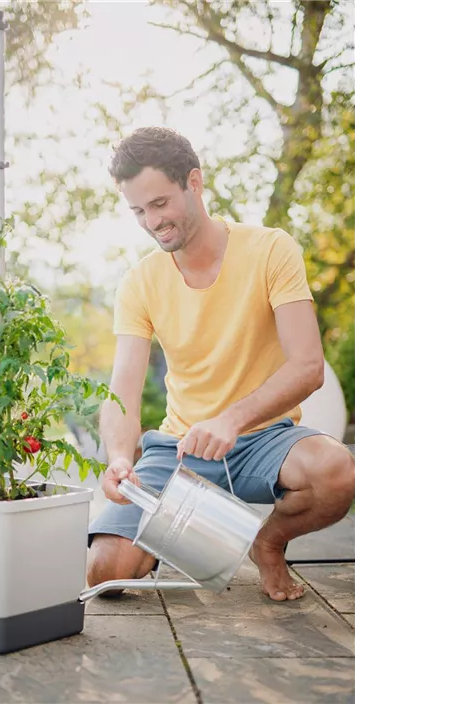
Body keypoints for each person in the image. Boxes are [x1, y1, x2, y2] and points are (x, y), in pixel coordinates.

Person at [87, 126, 356, 602]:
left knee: (336, 471)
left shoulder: (271, 249)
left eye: (160, 203)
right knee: (106, 576)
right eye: (138, 211)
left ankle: (267, 543)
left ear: (194, 183)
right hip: (179, 447)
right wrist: (121, 459)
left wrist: (231, 419)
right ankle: (169, 533)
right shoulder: (140, 282)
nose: (152, 222)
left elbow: (308, 366)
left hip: (266, 439)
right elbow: (122, 390)